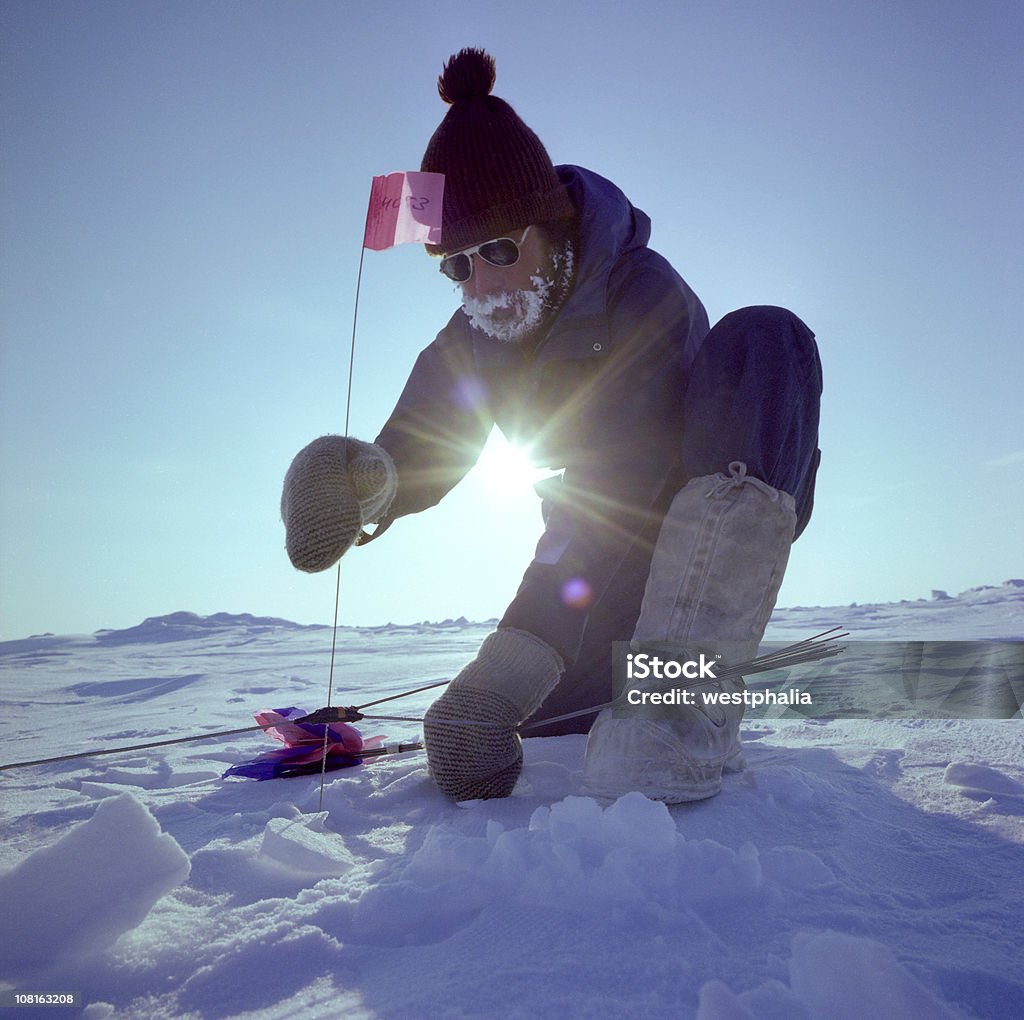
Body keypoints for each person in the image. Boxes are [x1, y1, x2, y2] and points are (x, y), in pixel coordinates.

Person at [281, 48, 822, 804]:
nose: (482, 283)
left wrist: (501, 678)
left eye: (499, 251)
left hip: (686, 537)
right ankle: (619, 692)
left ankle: (683, 710)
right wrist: (367, 482)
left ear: (552, 226)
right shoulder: (478, 330)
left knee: (765, 339)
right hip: (604, 580)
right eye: (457, 266)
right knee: (549, 718)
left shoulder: (641, 297)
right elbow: (428, 436)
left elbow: (612, 497)